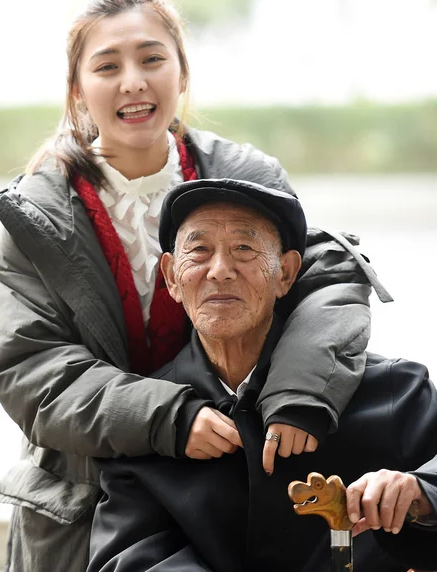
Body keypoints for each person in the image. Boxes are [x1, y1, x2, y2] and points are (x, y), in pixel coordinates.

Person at [0, 0, 387, 572]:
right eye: (107, 66)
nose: (133, 82)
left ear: (182, 74)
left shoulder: (247, 176)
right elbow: (28, 368)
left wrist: (302, 395)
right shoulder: (38, 213)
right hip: (78, 514)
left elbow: (324, 281)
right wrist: (168, 417)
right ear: (78, 89)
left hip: (222, 499)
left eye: (152, 59)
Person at [88, 178, 437, 572]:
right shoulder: (149, 424)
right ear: (171, 276)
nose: (220, 271)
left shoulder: (395, 390)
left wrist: (424, 495)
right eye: (199, 250)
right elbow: (131, 557)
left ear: (286, 273)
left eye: (244, 248)